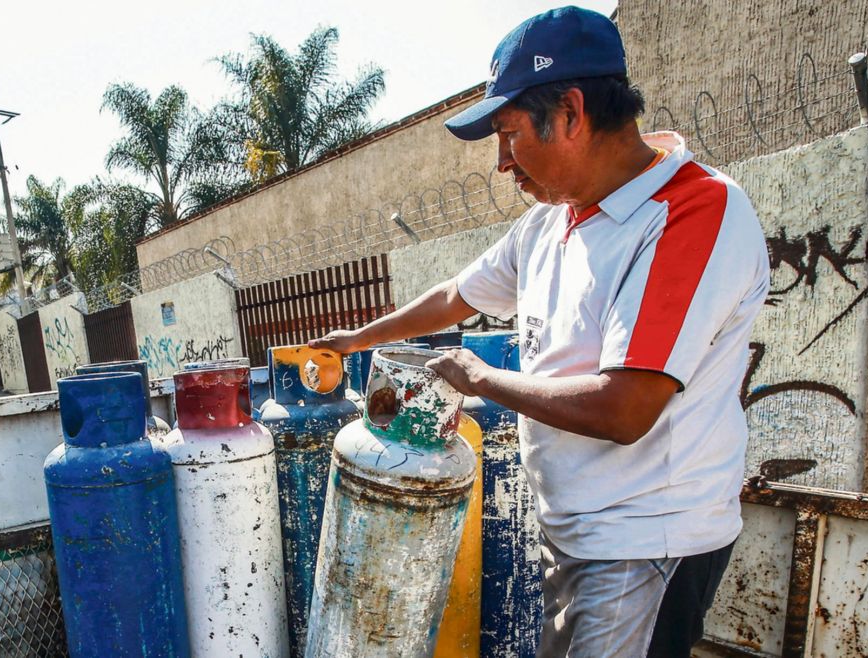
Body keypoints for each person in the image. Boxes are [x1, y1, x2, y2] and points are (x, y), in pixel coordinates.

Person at [310, 6, 769, 657]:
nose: (502, 162)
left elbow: (625, 406)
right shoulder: (552, 221)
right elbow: (454, 296)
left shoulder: (692, 211)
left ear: (573, 113)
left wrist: (480, 378)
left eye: (509, 134)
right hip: (573, 535)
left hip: (644, 546)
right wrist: (356, 337)